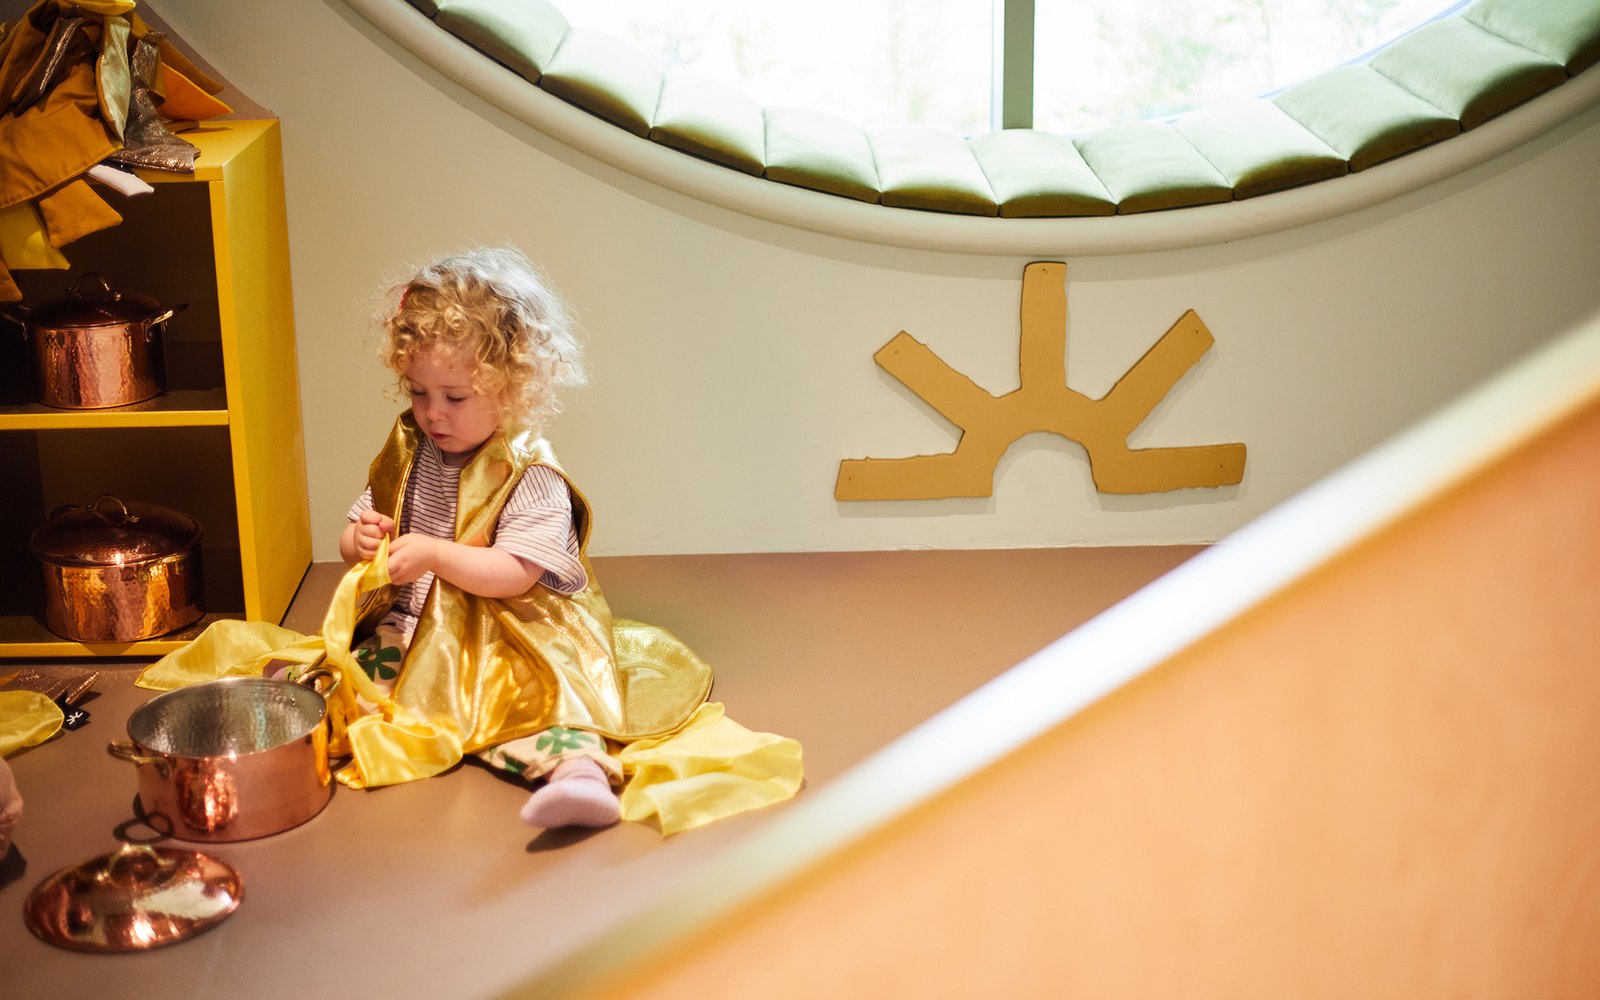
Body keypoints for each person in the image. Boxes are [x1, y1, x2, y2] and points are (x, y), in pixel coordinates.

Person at [334, 245, 709, 830]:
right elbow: (360, 524)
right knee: (356, 684)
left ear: (511, 387)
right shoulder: (412, 452)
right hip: (416, 625)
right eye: (418, 392)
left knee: (546, 706)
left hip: (509, 635)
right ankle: (312, 719)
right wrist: (361, 539)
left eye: (455, 397)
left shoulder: (529, 474)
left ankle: (579, 778)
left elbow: (516, 573)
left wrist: (434, 552)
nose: (433, 414)